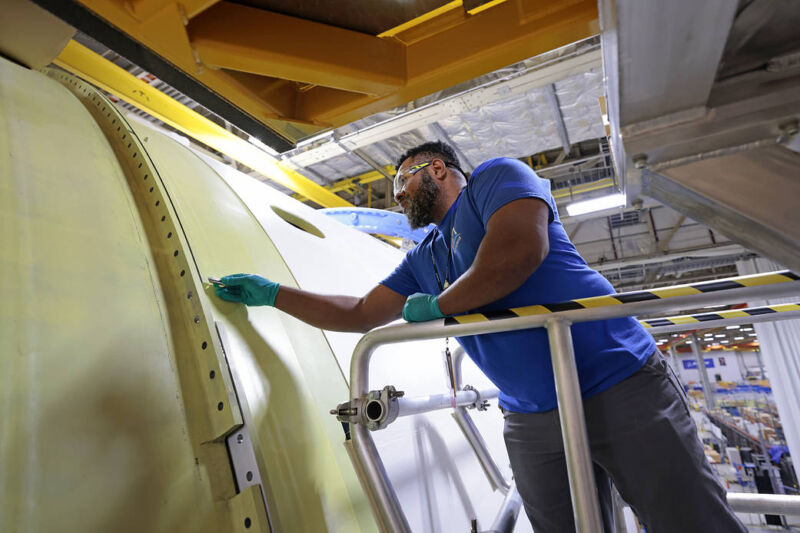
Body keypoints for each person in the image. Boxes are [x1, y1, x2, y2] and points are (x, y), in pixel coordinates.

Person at [215, 141, 746, 533]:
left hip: (618, 383)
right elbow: (359, 313)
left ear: (436, 169)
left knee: (688, 521)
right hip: (531, 414)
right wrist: (272, 294)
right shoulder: (424, 258)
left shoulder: (495, 181)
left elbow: (517, 253)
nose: (397, 197)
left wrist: (439, 306)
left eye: (401, 182)